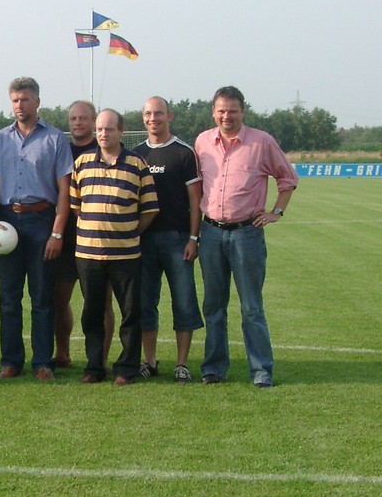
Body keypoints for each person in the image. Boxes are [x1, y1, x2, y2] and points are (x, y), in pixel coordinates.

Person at [194, 85, 298, 388]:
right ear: (213, 112)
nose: (227, 116)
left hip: (246, 234)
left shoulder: (261, 142)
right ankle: (214, 368)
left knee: (252, 307)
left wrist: (276, 212)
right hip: (211, 232)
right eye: (221, 111)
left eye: (233, 111)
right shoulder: (202, 141)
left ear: (243, 111)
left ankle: (261, 371)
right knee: (213, 306)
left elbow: (287, 178)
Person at [0, 77, 72, 381]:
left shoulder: (55, 138)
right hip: (6, 221)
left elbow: (64, 189)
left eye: (25, 99)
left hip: (41, 221)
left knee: (42, 298)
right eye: (15, 100)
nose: (19, 105)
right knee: (8, 298)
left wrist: (57, 232)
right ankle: (11, 362)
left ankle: (42, 363)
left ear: (37, 102)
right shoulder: (1, 138)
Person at [71, 109, 159, 385]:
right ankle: (94, 367)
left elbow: (149, 208)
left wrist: (128, 231)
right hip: (89, 253)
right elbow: (76, 206)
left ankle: (126, 368)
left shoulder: (137, 164)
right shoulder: (82, 163)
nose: (103, 134)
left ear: (121, 131)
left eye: (108, 129)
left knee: (130, 313)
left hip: (126, 253)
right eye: (99, 129)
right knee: (92, 313)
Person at [133, 96, 204, 383]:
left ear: (169, 116)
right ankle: (149, 361)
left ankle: (182, 363)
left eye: (158, 113)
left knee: (183, 302)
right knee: (144, 303)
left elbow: (195, 200)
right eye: (148, 114)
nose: (153, 119)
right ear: (143, 118)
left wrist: (193, 238)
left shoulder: (184, 153)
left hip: (177, 239)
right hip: (143, 241)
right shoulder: (136, 154)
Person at [52, 99, 113, 369]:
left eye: (83, 118)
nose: (78, 123)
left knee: (101, 301)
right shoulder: (61, 150)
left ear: (94, 121)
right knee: (59, 298)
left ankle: (101, 359)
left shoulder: (105, 150)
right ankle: (62, 354)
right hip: (65, 237)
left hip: (98, 238)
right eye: (73, 119)